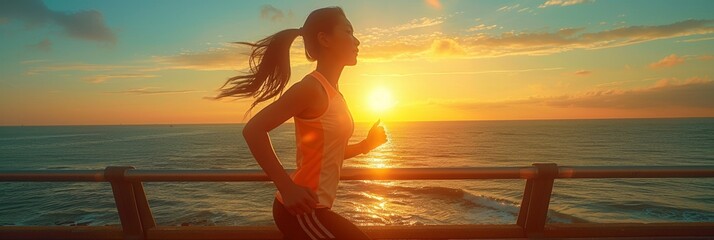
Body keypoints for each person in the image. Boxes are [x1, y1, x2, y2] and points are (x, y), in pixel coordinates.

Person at [214, 6, 387, 240]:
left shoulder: (334, 93)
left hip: (312, 209)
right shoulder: (311, 89)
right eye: (348, 31)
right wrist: (287, 188)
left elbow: (328, 154)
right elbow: (253, 130)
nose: (356, 41)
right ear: (324, 39)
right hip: (302, 211)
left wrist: (367, 145)